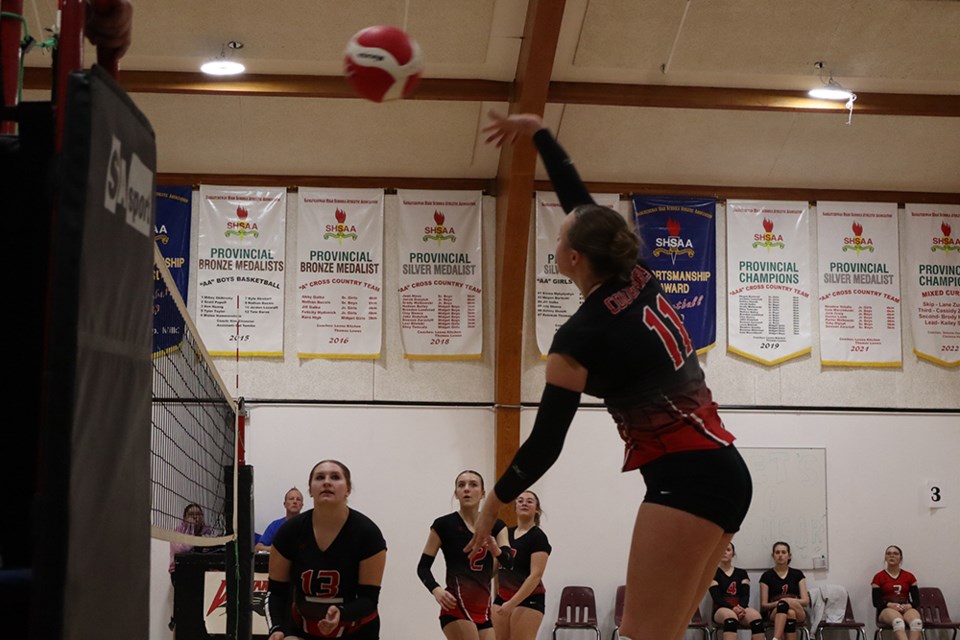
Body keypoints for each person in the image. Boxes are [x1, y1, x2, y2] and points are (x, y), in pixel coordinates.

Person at [464, 111, 752, 640]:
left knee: (640, 634)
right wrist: (540, 135)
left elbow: (546, 443)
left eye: (560, 234)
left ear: (571, 259)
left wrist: (490, 507)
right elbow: (578, 199)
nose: (560, 230)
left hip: (686, 483)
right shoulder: (638, 272)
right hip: (725, 471)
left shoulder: (578, 338)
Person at [265, 460, 386, 640]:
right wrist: (276, 629)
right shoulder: (289, 532)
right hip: (303, 629)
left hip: (356, 630)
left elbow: (369, 600)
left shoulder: (368, 533)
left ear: (348, 489)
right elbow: (276, 592)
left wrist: (341, 613)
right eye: (320, 477)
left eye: (335, 477)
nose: (327, 482)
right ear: (310, 490)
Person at [418, 470, 511, 640]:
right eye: (461, 485)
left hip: (483, 610)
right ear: (456, 493)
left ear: (483, 493)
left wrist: (496, 550)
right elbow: (423, 567)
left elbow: (509, 562)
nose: (467, 489)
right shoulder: (443, 525)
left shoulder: (497, 526)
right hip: (455, 608)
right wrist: (436, 590)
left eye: (473, 484)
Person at [492, 491, 551, 640]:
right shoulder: (505, 534)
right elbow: (496, 568)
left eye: (530, 501)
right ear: (515, 507)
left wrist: (513, 603)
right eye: (520, 500)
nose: (524, 503)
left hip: (529, 598)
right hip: (503, 597)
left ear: (537, 509)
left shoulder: (538, 537)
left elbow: (536, 575)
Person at [710, 542, 763, 640]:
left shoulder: (742, 573)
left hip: (740, 607)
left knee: (757, 620)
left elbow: (745, 595)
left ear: (733, 554)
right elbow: (717, 598)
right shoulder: (713, 573)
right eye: (722, 549)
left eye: (728, 550)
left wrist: (741, 607)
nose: (724, 552)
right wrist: (733, 608)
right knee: (731, 620)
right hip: (721, 608)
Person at [759, 542, 809, 640]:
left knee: (786, 605)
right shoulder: (766, 576)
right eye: (777, 552)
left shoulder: (797, 574)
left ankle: (776, 638)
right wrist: (780, 603)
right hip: (775, 611)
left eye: (783, 552)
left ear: (789, 556)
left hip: (798, 610)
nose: (780, 555)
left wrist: (787, 601)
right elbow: (764, 605)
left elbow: (805, 601)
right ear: (773, 555)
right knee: (789, 612)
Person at [871, 545, 922, 640]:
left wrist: (909, 605)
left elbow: (916, 600)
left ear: (901, 558)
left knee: (916, 623)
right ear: (885, 557)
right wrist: (889, 604)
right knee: (898, 622)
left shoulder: (909, 576)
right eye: (888, 553)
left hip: (905, 606)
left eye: (895, 553)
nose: (892, 556)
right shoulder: (878, 577)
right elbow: (876, 602)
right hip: (886, 608)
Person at [168, 503, 213, 577]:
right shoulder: (178, 532)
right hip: (180, 570)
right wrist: (191, 530)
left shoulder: (207, 532)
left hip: (203, 570)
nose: (195, 517)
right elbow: (180, 550)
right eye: (191, 514)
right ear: (184, 518)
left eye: (198, 514)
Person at [256, 487, 304, 552]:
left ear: (302, 505)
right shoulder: (275, 525)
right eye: (291, 499)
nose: (295, 501)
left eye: (298, 499)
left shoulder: (308, 525)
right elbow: (258, 547)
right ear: (285, 504)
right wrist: (279, 550)